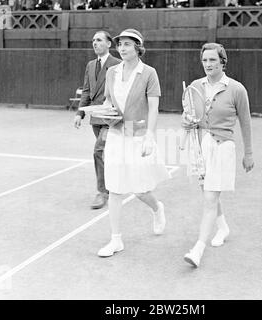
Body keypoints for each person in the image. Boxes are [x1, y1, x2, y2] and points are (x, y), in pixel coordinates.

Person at [97, 28, 171, 257]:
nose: (122, 48)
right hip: (116, 135)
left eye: (127, 44)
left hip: (138, 135)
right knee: (116, 189)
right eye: (120, 45)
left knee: (140, 190)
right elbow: (108, 101)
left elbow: (154, 107)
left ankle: (157, 208)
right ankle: (116, 239)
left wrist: (150, 134)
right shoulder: (111, 72)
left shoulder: (149, 73)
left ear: (138, 47)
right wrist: (104, 120)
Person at [181, 43, 254, 268]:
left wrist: (248, 153)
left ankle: (198, 249)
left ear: (223, 61)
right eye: (205, 60)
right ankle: (223, 227)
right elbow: (190, 116)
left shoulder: (237, 89)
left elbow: (246, 122)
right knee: (208, 193)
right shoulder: (195, 86)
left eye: (213, 60)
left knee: (211, 198)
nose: (208, 64)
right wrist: (186, 122)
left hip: (223, 148)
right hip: (201, 146)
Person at [74, 31, 121, 209]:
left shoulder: (117, 64)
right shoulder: (90, 65)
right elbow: (86, 90)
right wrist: (80, 113)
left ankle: (102, 192)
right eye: (93, 40)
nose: (95, 43)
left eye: (99, 40)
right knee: (107, 154)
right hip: (95, 118)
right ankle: (113, 184)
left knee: (99, 151)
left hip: (110, 118)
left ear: (109, 44)